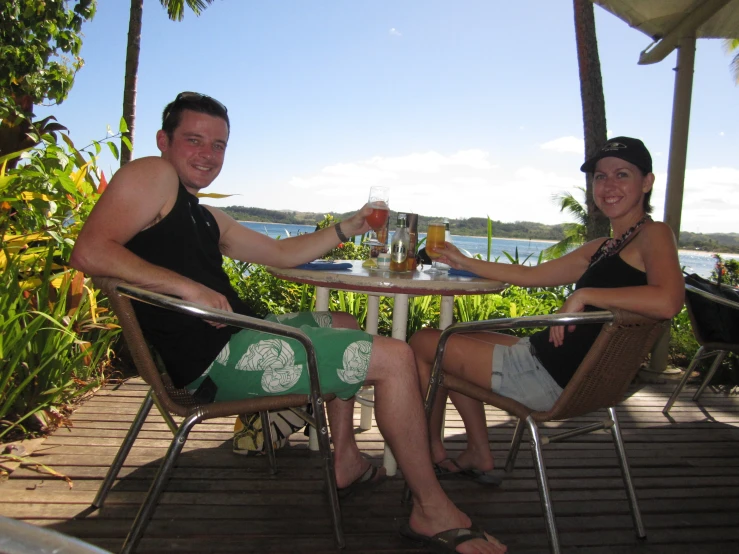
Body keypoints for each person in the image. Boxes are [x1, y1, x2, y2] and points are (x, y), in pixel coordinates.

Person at [70, 92, 506, 554]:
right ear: (164, 141)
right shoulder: (151, 174)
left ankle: (347, 460)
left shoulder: (204, 215)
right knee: (396, 357)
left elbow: (279, 252)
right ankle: (431, 510)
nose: (207, 154)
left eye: (218, 145)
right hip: (217, 361)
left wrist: (349, 227)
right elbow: (90, 252)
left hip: (237, 337)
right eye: (194, 140)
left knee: (342, 321)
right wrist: (187, 287)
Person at [410, 136, 684, 480]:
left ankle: (430, 453)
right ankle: (477, 452)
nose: (608, 185)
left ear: (647, 182)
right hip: (549, 359)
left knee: (425, 342)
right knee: (459, 339)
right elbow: (530, 275)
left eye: (622, 175)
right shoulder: (604, 246)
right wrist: (462, 260)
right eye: (600, 177)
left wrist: (586, 295)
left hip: (546, 378)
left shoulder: (654, 234)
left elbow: (668, 301)